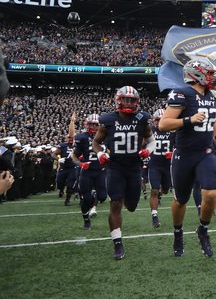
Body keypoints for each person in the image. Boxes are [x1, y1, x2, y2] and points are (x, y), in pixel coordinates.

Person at [159, 58, 216, 258]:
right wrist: (188, 119)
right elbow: (163, 124)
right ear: (197, 74)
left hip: (206, 153)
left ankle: (203, 230)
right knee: (181, 199)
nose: (213, 77)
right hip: (185, 153)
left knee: (211, 194)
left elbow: (212, 119)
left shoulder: (212, 95)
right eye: (210, 74)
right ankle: (178, 233)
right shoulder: (183, 94)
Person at [92, 86, 153, 260]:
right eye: (125, 99)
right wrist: (100, 153)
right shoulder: (108, 120)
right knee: (115, 204)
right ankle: (117, 244)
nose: (128, 103)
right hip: (115, 166)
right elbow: (96, 142)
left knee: (131, 206)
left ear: (137, 102)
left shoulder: (142, 119)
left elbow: (151, 141)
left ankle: (124, 195)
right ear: (118, 100)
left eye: (131, 100)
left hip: (134, 167)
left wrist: (148, 150)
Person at [70, 113, 106, 230]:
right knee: (86, 198)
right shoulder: (82, 137)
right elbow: (74, 156)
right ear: (87, 124)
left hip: (101, 171)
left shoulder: (106, 136)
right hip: (87, 171)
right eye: (91, 124)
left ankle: (93, 198)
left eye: (96, 125)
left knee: (102, 197)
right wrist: (81, 164)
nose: (94, 127)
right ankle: (86, 220)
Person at [149, 108, 174, 229]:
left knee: (164, 189)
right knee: (154, 189)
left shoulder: (173, 130)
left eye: (161, 119)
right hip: (154, 164)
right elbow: (143, 143)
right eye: (157, 120)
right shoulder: (150, 131)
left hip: (167, 166)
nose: (159, 122)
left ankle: (160, 193)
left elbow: (179, 146)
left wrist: (173, 153)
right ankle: (154, 215)